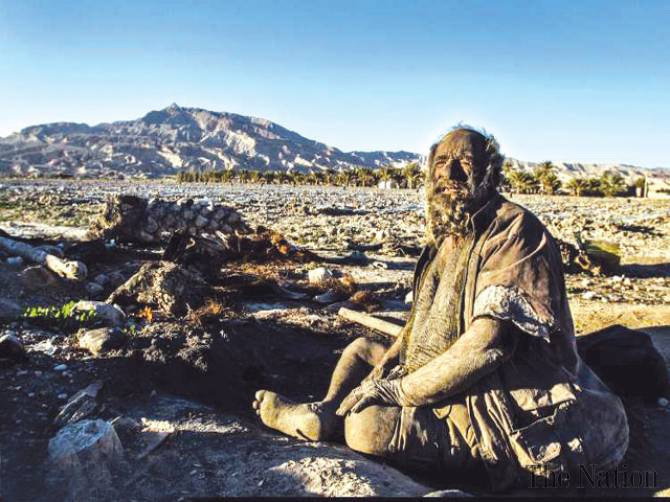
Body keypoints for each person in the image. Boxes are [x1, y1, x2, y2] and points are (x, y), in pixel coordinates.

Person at [252, 127, 629, 490]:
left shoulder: (514, 230)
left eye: (464, 162)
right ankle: (326, 411)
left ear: (489, 173)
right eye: (441, 162)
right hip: (438, 373)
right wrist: (385, 370)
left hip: (501, 394)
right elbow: (417, 329)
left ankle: (349, 423)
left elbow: (488, 344)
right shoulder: (445, 238)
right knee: (362, 350)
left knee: (368, 426)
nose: (449, 172)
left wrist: (397, 391)